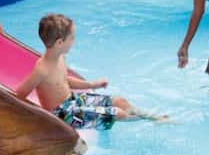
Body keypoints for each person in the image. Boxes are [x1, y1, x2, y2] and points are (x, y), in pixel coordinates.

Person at [16, 13, 155, 129]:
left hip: (73, 101)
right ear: (59, 43)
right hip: (63, 114)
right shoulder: (42, 70)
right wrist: (37, 118)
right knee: (118, 113)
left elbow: (64, 80)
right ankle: (146, 120)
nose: (73, 41)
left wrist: (92, 85)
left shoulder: (60, 58)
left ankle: (152, 116)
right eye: (72, 38)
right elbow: (20, 94)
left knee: (120, 101)